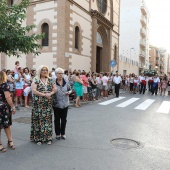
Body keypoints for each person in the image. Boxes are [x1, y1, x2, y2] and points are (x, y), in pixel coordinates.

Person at [30, 65, 57, 145]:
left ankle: (48, 137)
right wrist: (44, 94)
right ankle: (38, 138)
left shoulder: (50, 79)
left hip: (48, 103)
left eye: (46, 70)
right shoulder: (36, 79)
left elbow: (55, 89)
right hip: (38, 103)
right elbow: (34, 91)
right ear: (39, 71)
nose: (45, 71)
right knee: (38, 120)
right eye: (43, 70)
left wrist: (50, 93)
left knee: (47, 119)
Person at [53, 68, 72, 140]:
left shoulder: (66, 81)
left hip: (65, 103)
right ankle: (57, 134)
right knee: (57, 119)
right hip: (56, 103)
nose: (61, 75)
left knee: (64, 119)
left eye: (62, 73)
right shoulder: (53, 82)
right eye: (59, 73)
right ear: (56, 74)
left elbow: (70, 89)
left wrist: (69, 92)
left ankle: (63, 133)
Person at [0, 71, 16, 152]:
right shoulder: (4, 85)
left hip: (2, 107)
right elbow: (8, 97)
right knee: (7, 125)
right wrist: (13, 107)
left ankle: (8, 142)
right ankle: (10, 142)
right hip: (3, 108)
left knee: (5, 125)